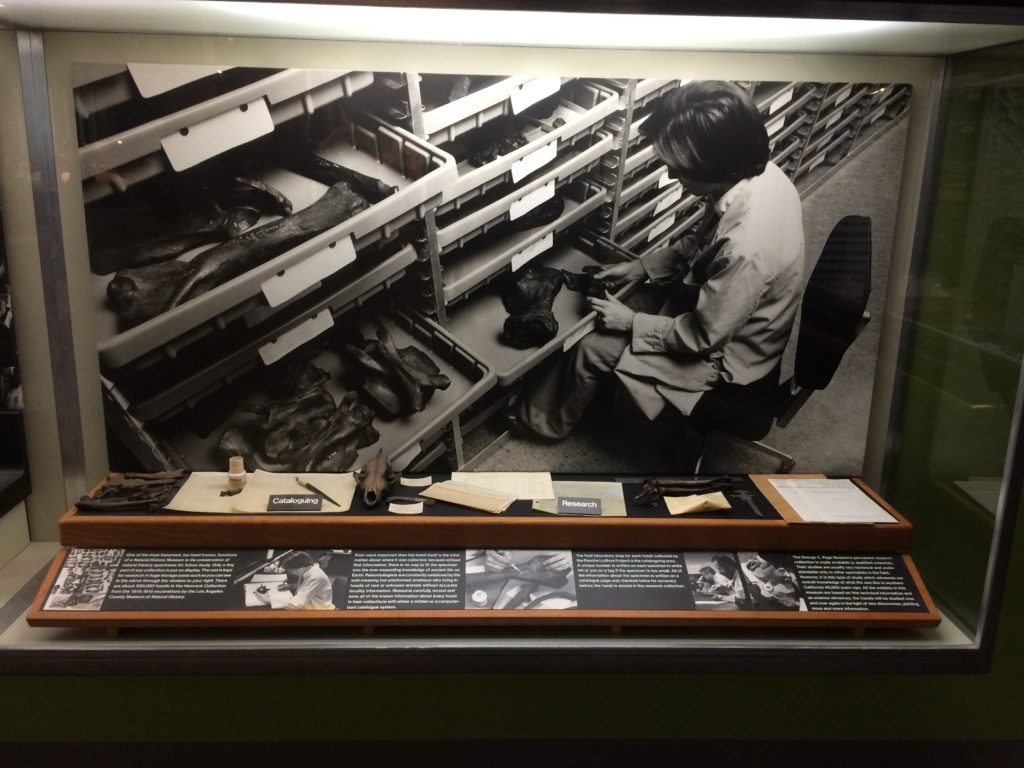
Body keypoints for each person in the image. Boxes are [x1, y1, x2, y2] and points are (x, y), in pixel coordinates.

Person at [510, 80, 805, 439]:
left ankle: (538, 423)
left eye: (679, 169)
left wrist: (631, 322)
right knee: (619, 302)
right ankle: (587, 389)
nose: (670, 176)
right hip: (730, 316)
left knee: (591, 347)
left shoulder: (748, 245)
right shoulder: (758, 175)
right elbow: (702, 248)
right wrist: (639, 267)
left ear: (715, 166)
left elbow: (703, 337)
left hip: (727, 356)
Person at [255, 550, 335, 610]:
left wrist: (269, 600)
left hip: (319, 610)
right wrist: (290, 586)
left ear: (300, 568)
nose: (289, 573)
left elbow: (296, 604)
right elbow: (307, 586)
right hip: (311, 602)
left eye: (290, 570)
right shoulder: (309, 569)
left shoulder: (315, 577)